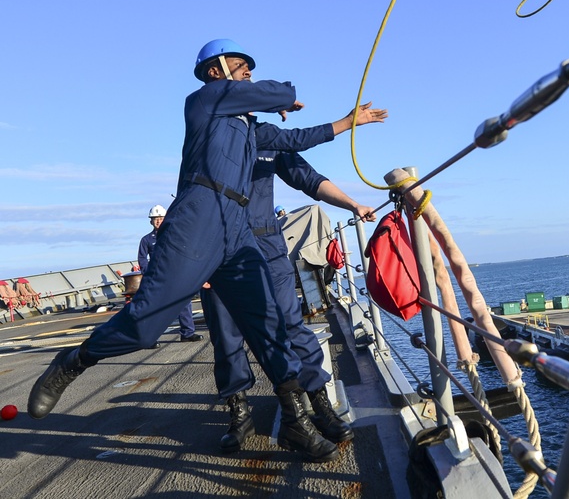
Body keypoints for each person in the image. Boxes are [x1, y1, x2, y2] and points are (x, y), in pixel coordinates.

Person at [28, 38, 377, 463]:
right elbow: (279, 93)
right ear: (216, 71)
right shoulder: (205, 101)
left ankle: (295, 423)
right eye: (240, 65)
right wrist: (283, 97)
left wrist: (346, 122)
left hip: (239, 227)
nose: (247, 70)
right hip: (199, 214)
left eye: (250, 67)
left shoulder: (249, 127)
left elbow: (296, 138)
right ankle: (74, 361)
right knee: (145, 325)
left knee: (270, 323)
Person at [203, 150, 383, 453]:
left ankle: (317, 403)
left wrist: (353, 204)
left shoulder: (270, 140)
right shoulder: (209, 138)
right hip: (218, 252)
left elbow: (309, 179)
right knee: (225, 334)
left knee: (291, 325)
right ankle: (240, 414)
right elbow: (191, 201)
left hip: (267, 247)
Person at [138, 205, 202, 342]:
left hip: (175, 274)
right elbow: (142, 259)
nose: (158, 221)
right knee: (154, 308)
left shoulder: (174, 234)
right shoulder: (146, 240)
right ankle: (149, 339)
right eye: (155, 219)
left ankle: (187, 333)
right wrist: (148, 272)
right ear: (151, 221)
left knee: (184, 303)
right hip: (157, 278)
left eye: (160, 218)